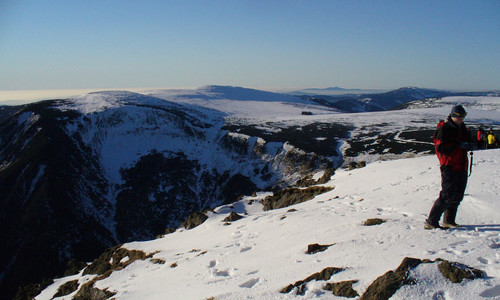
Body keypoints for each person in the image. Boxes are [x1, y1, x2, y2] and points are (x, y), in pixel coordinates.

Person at [425, 105, 473, 230]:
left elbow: (467, 142)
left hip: (462, 165)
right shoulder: (445, 129)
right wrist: (458, 145)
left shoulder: (461, 128)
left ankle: (449, 220)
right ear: (452, 115)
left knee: (458, 195)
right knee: (447, 195)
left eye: (463, 116)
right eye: (459, 116)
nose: (461, 119)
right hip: (449, 166)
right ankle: (431, 221)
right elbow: (441, 148)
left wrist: (469, 144)